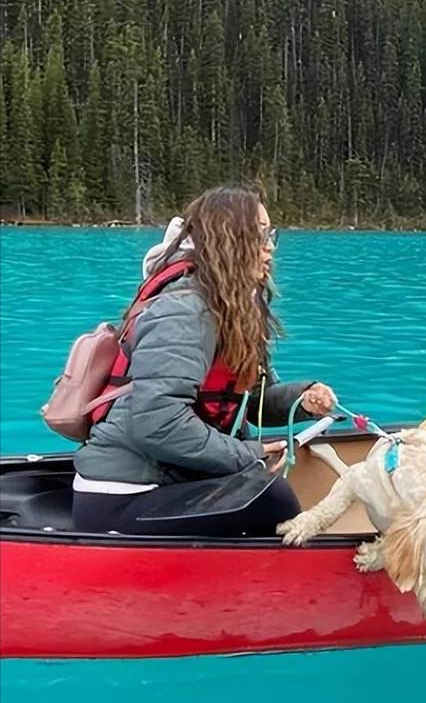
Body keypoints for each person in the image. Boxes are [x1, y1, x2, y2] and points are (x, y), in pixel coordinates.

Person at [72, 185, 338, 535]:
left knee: (265, 488)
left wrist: (302, 400)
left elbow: (251, 403)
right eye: (260, 234)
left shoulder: (231, 310)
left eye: (271, 234)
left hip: (172, 481)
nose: (270, 246)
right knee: (273, 498)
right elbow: (160, 422)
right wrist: (249, 453)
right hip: (123, 496)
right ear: (229, 240)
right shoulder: (182, 312)